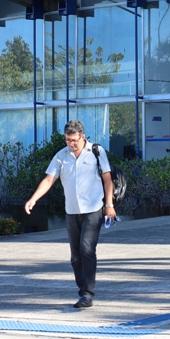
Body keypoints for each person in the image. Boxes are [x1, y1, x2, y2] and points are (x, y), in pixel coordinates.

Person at [25, 120, 115, 309]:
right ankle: (82, 289)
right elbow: (49, 179)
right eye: (68, 140)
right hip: (72, 211)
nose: (71, 144)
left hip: (93, 209)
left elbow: (108, 180)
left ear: (82, 136)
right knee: (75, 257)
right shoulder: (61, 156)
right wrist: (33, 199)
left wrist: (109, 205)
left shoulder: (96, 152)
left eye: (74, 140)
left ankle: (87, 294)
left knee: (87, 249)